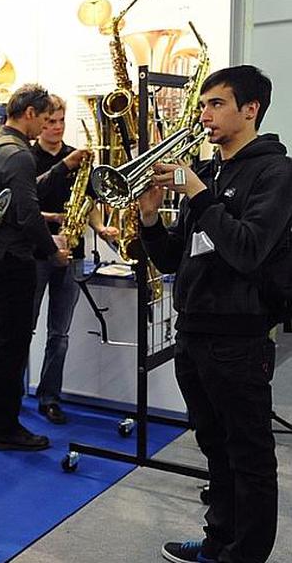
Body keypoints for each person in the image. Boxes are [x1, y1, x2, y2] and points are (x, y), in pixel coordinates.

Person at [137, 66, 291, 563]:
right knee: (215, 449)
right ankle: (218, 540)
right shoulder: (212, 172)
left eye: (217, 104)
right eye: (203, 104)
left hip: (240, 337)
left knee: (248, 456)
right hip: (195, 331)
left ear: (251, 109)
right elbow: (172, 259)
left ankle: (244, 555)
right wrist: (150, 218)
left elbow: (247, 249)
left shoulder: (276, 173)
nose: (204, 114)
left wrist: (199, 193)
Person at [0, 83, 70, 451]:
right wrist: (51, 252)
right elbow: (26, 214)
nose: (45, 126)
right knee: (12, 344)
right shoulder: (21, 154)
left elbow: (14, 200)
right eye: (44, 118)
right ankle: (7, 428)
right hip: (13, 259)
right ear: (30, 114)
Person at [30, 94, 118, 424]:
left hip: (74, 251)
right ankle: (15, 390)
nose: (55, 127)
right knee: (24, 327)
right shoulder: (29, 157)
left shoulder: (78, 158)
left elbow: (89, 201)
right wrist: (50, 221)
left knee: (59, 333)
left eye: (60, 121)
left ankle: (49, 397)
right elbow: (22, 206)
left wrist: (101, 228)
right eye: (50, 121)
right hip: (38, 253)